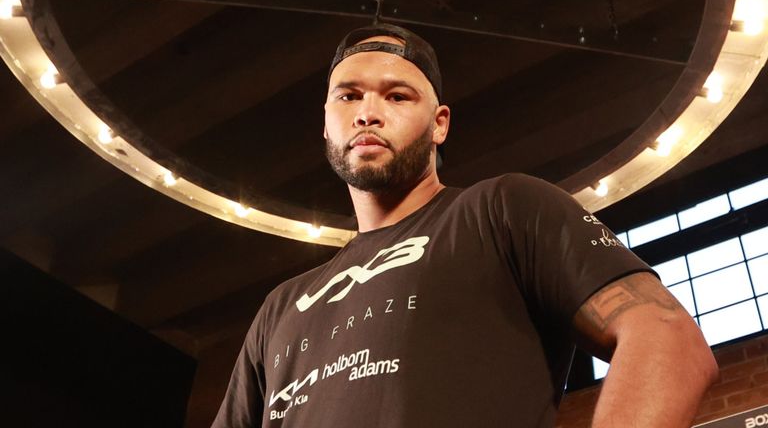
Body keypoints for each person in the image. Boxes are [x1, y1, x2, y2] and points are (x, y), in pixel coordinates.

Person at [212, 23, 718, 428]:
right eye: (348, 96)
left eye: (397, 96)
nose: (368, 112)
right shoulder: (280, 308)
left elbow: (665, 335)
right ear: (326, 124)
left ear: (440, 124)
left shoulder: (504, 209)